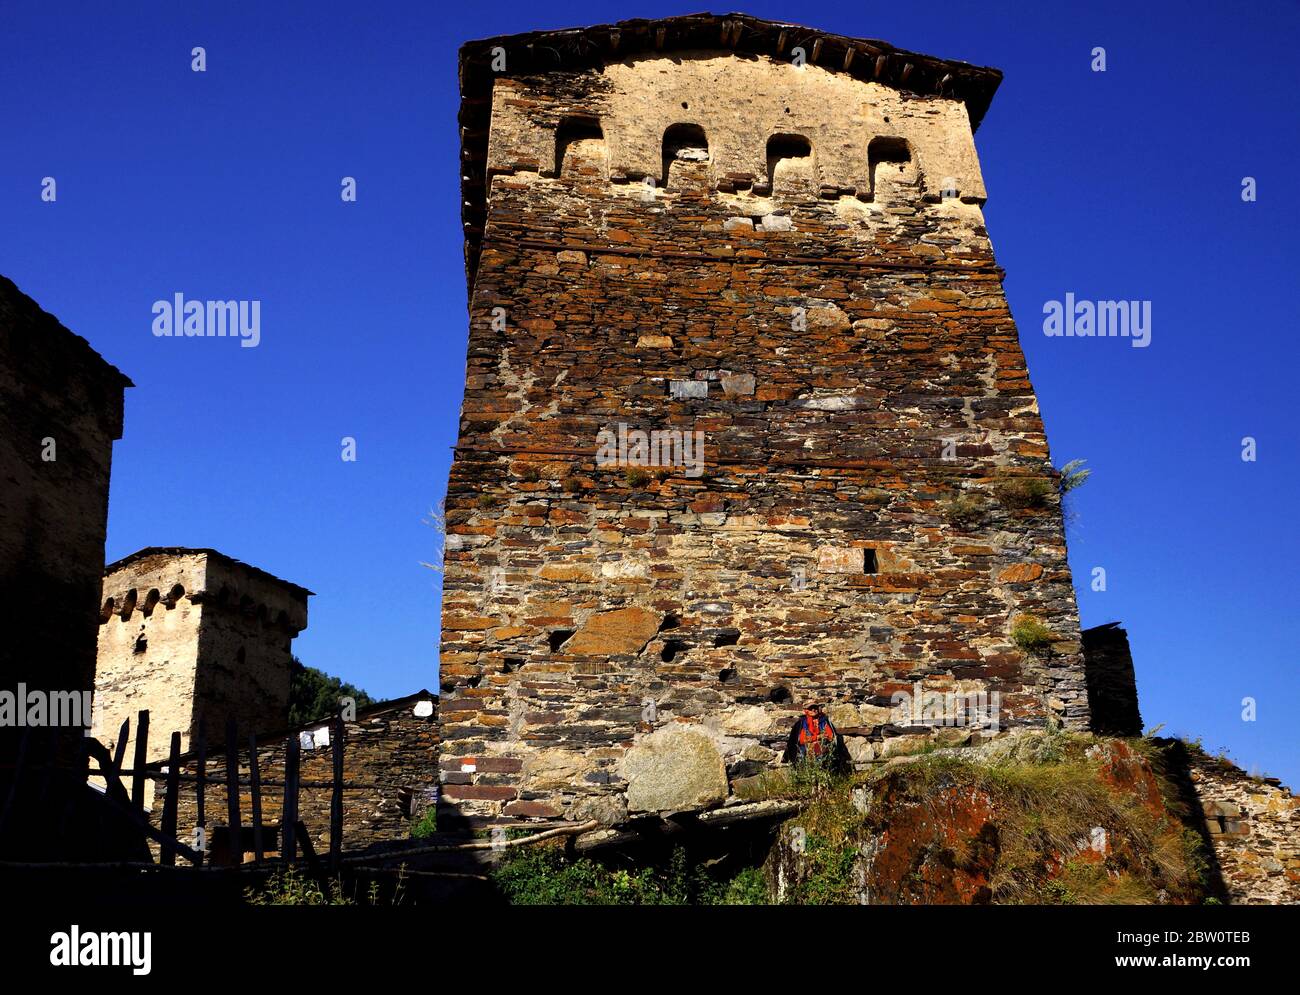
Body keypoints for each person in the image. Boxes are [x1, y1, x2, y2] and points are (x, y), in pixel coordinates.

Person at [783, 701, 848, 773]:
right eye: (811, 708)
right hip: (806, 750)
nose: (814, 710)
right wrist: (818, 737)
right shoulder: (802, 723)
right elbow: (802, 740)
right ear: (806, 710)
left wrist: (814, 739)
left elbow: (830, 736)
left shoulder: (824, 721)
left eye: (815, 708)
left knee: (825, 753)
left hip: (823, 749)